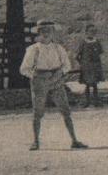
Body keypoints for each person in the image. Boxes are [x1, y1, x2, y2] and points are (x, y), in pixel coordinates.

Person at [20, 19, 87, 150]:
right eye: (43, 31)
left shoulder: (58, 48)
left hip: (57, 81)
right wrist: (36, 77)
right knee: (37, 112)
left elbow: (67, 65)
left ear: (53, 32)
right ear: (38, 33)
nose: (46, 33)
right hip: (40, 82)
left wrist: (59, 74)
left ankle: (74, 140)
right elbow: (24, 69)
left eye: (49, 30)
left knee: (65, 111)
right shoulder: (33, 49)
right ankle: (36, 142)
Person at [75, 24, 105, 107]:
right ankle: (87, 101)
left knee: (95, 84)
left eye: (94, 31)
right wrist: (83, 64)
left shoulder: (97, 42)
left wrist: (98, 63)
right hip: (87, 67)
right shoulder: (83, 43)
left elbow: (100, 52)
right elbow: (77, 55)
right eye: (90, 31)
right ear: (86, 32)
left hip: (95, 66)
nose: (92, 33)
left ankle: (96, 101)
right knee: (87, 84)